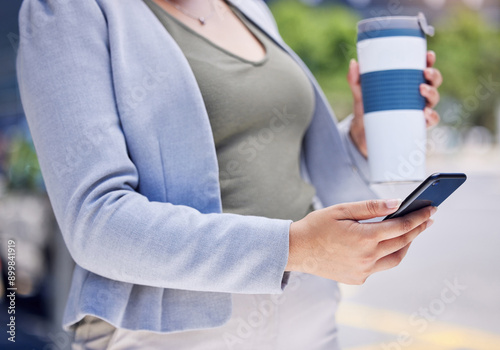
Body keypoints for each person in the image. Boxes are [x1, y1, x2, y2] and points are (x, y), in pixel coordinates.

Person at [16, 0, 442, 349]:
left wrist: (359, 137)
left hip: (308, 314)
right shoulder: (69, 11)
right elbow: (97, 221)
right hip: (173, 334)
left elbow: (275, 159)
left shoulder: (249, 7)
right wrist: (295, 248)